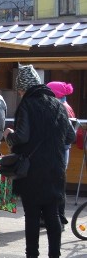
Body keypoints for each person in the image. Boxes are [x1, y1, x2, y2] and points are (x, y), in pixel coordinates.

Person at [4, 66, 76, 258]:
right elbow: (70, 137)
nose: (19, 94)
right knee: (53, 215)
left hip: (32, 170)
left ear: (24, 88)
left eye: (19, 90)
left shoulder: (28, 104)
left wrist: (9, 134)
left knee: (33, 214)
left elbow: (22, 137)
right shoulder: (57, 104)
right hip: (55, 167)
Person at [47, 81, 77, 225]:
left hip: (59, 150)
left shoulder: (60, 107)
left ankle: (58, 215)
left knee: (54, 184)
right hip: (64, 150)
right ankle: (60, 215)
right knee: (59, 183)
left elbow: (69, 133)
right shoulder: (66, 106)